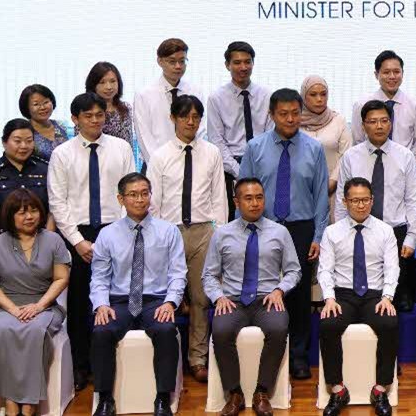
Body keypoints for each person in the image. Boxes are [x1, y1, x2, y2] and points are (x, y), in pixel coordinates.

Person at [237, 88, 330, 380]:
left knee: (299, 294)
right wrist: (241, 232)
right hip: (263, 226)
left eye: (295, 113)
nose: (290, 119)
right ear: (271, 115)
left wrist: (318, 235)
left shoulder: (314, 149)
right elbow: (243, 190)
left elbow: (321, 196)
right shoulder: (255, 148)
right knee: (264, 288)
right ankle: (266, 353)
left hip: (301, 228)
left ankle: (299, 356)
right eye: (283, 114)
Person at [48, 92, 136, 391]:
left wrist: (121, 232)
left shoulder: (121, 148)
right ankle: (81, 366)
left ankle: (109, 366)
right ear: (75, 119)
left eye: (100, 115)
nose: (95, 120)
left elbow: (129, 192)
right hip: (77, 236)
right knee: (79, 303)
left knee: (114, 299)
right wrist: (77, 241)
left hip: (115, 230)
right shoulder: (62, 154)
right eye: (88, 116)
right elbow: (58, 202)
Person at [89, 173, 188, 416]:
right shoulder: (107, 234)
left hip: (156, 301)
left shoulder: (169, 231)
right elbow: (99, 276)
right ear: (120, 199)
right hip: (120, 301)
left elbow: (178, 273)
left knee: (166, 330)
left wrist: (171, 302)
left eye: (145, 193)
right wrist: (101, 305)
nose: (140, 199)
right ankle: (105, 399)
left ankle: (163, 398)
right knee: (101, 331)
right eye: (133, 195)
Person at [146, 94, 228, 383]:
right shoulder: (160, 155)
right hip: (169, 232)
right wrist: (155, 235)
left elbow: (219, 196)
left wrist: (220, 234)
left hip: (204, 231)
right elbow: (153, 200)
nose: (190, 122)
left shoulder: (212, 153)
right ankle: (167, 358)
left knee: (201, 298)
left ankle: (197, 358)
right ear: (173, 118)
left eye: (195, 117)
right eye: (184, 117)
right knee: (165, 295)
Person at [203, 177, 301, 416]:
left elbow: (294, 270)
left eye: (259, 197)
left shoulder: (280, 232)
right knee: (221, 330)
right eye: (248, 198)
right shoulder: (222, 234)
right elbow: (209, 275)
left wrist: (280, 290)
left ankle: (262, 392)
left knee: (278, 328)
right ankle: (234, 393)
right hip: (233, 301)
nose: (255, 203)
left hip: (267, 300)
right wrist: (218, 297)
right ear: (236, 202)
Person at [0, 188, 71, 416]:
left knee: (34, 331)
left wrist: (39, 306)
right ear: (10, 215)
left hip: (45, 306)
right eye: (22, 212)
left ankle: (28, 405)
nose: (29, 217)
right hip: (8, 306)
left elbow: (61, 278)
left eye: (34, 210)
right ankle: (11, 401)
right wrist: (13, 309)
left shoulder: (53, 240)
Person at [319, 177, 400, 416]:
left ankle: (380, 389)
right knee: (328, 324)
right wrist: (329, 298)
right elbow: (325, 269)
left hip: (375, 295)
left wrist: (387, 296)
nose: (361, 205)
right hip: (343, 295)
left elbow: (392, 267)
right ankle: (337, 389)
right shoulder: (332, 232)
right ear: (345, 202)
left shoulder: (385, 231)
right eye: (355, 200)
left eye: (365, 200)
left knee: (389, 322)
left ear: (372, 200)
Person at [335, 100, 416, 310]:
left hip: (396, 231)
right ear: (363, 125)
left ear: (391, 123)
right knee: (364, 294)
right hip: (359, 229)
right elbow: (341, 199)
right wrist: (340, 233)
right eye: (372, 122)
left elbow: (412, 199)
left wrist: (411, 237)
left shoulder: (405, 156)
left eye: (384, 120)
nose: (379, 126)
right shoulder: (351, 157)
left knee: (400, 303)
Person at [208, 41, 272, 213]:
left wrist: (258, 168)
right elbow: (216, 140)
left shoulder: (267, 95)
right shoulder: (216, 98)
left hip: (263, 167)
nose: (243, 67)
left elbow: (270, 136)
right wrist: (240, 171)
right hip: (230, 169)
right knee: (233, 219)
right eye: (237, 62)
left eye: (247, 62)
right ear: (227, 65)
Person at [0, 119, 53, 244]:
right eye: (17, 141)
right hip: (0, 245)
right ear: (4, 142)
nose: (24, 146)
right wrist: (2, 248)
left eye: (29, 141)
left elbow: (54, 210)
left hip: (40, 244)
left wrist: (45, 244)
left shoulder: (47, 170)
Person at [132, 38, 204, 165]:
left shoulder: (195, 91)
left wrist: (190, 157)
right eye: (172, 61)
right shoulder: (144, 94)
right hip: (157, 164)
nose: (178, 66)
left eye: (182, 61)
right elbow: (144, 136)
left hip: (190, 161)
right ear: (160, 61)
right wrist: (159, 165)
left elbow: (200, 128)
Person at [351, 50, 416, 160]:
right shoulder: (361, 105)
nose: (392, 76)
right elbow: (358, 140)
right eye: (386, 72)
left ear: (402, 73)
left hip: (403, 165)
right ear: (376, 75)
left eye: (396, 72)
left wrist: (412, 165)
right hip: (370, 163)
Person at [298, 75, 353, 196]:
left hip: (334, 189)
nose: (319, 99)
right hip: (300, 189)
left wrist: (332, 182)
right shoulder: (294, 122)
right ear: (303, 96)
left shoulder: (338, 120)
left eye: (323, 94)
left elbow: (346, 154)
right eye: (313, 95)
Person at [87, 62, 136, 151]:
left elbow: (129, 143)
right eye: (102, 82)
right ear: (93, 85)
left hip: (122, 157)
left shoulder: (125, 108)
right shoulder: (86, 110)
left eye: (113, 81)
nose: (109, 87)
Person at [20, 84, 68, 161]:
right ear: (26, 108)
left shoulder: (64, 126)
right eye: (36, 104)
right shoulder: (24, 132)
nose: (43, 107)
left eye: (46, 102)